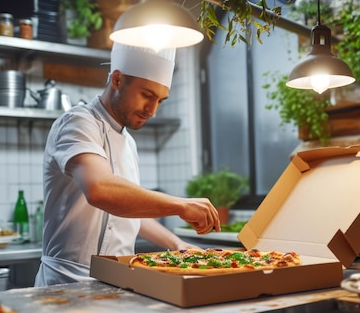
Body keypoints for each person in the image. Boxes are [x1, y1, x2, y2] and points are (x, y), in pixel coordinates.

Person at [34, 43, 221, 286]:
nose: (152, 110)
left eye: (160, 101)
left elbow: (129, 213)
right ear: (118, 80)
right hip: (67, 283)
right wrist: (180, 205)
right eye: (147, 95)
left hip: (118, 281)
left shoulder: (128, 143)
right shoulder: (78, 122)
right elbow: (101, 190)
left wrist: (177, 244)